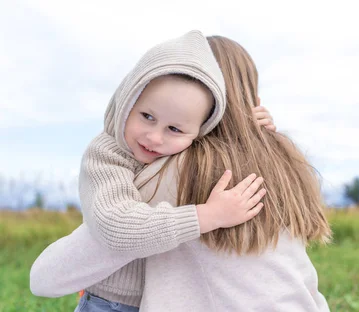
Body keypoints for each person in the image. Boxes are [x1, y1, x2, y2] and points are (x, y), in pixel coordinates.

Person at [31, 35, 331, 311]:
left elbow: (49, 277)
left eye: (175, 128)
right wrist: (205, 214)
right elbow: (114, 226)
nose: (155, 138)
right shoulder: (286, 161)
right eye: (147, 116)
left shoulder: (180, 168)